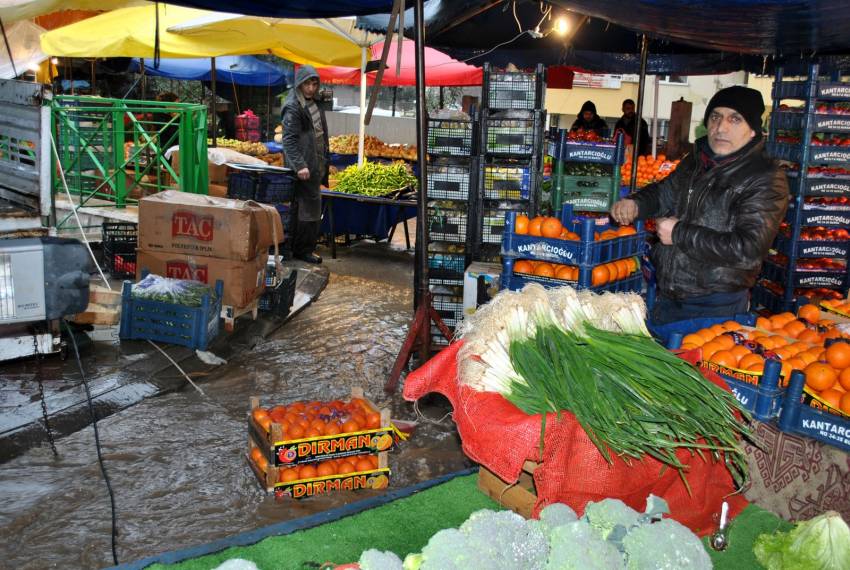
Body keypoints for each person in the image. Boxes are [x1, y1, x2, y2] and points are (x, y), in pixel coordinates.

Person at [610, 86, 789, 325]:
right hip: (669, 295)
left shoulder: (765, 177)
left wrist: (679, 233)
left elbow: (748, 250)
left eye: (735, 119)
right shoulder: (697, 160)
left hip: (716, 306)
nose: (721, 127)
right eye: (715, 117)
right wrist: (636, 204)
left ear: (754, 130)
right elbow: (664, 192)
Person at [281, 65, 329, 264]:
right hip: (303, 167)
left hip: (315, 163)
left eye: (314, 83)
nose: (311, 88)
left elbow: (319, 134)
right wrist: (300, 165)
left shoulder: (314, 102)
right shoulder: (293, 105)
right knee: (306, 210)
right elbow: (289, 140)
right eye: (307, 83)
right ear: (299, 84)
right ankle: (302, 250)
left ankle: (300, 248)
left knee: (310, 208)